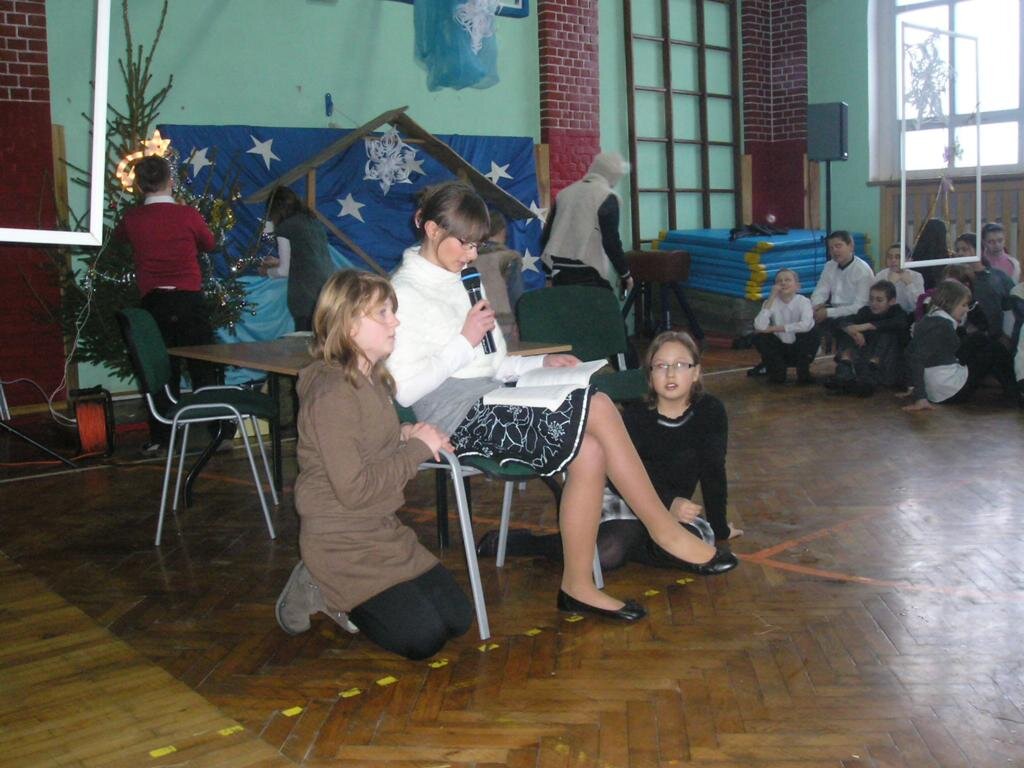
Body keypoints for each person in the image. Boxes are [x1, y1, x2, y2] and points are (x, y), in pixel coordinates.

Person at [389, 181, 736, 623]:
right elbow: (405, 390)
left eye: (477, 245)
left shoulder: (462, 279)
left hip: (492, 398)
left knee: (589, 449)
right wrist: (464, 341)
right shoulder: (403, 292)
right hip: (451, 419)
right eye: (464, 243)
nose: (472, 255)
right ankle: (664, 530)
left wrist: (539, 364)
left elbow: (491, 364)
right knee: (598, 405)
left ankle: (578, 586)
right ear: (431, 228)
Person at [273, 270, 472, 659]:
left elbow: (365, 441)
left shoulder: (372, 379)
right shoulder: (332, 393)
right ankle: (319, 583)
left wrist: (404, 434)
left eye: (392, 311)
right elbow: (355, 489)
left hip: (379, 526)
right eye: (382, 313)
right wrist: (417, 449)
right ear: (348, 324)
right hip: (340, 539)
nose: (395, 322)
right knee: (424, 640)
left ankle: (338, 588)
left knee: (457, 620)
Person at [478, 330, 742, 571]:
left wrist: (719, 528)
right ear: (650, 375)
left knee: (699, 542)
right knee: (607, 553)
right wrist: (668, 503)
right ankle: (525, 543)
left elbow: (714, 472)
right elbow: (618, 479)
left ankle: (639, 541)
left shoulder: (711, 411)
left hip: (671, 507)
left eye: (681, 365)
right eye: (661, 366)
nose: (671, 374)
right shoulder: (635, 417)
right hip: (621, 496)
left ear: (696, 373)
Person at [112, 155, 219, 456]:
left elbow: (119, 238)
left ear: (139, 187)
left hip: (154, 304)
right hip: (189, 301)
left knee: (160, 370)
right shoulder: (188, 215)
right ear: (170, 181)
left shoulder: (133, 219)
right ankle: (218, 430)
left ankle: (163, 436)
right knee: (203, 365)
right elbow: (209, 243)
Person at [901, 279, 1014, 411]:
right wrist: (920, 397)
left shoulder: (930, 318)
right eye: (963, 305)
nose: (966, 309)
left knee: (978, 338)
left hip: (938, 384)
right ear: (950, 303)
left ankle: (1009, 387)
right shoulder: (941, 327)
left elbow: (909, 351)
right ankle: (1015, 392)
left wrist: (911, 386)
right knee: (996, 349)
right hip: (950, 391)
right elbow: (916, 359)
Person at [540, 151, 634, 296]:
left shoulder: (564, 193)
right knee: (601, 309)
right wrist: (625, 274)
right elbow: (611, 241)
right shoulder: (607, 196)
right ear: (614, 175)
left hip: (559, 271)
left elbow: (547, 235)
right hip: (589, 271)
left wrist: (548, 275)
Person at [260, 187, 334, 332]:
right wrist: (277, 262)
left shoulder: (285, 227)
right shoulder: (314, 223)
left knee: (305, 341)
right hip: (329, 292)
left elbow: (284, 271)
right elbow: (307, 257)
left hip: (306, 298)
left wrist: (267, 272)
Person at [827, 280, 908, 396]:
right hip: (864, 358)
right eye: (871, 299)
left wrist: (867, 326)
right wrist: (851, 330)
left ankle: (868, 378)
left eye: (879, 300)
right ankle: (844, 371)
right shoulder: (865, 311)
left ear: (892, 301)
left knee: (886, 336)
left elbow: (897, 323)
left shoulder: (898, 313)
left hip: (886, 365)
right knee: (850, 333)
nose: (874, 303)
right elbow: (840, 321)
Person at [751, 268, 818, 384]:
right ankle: (778, 371)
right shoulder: (770, 302)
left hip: (800, 348)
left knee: (813, 331)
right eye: (779, 281)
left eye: (787, 280)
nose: (783, 283)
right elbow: (759, 326)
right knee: (759, 337)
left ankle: (803, 372)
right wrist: (772, 296)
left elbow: (806, 325)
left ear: (797, 286)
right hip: (780, 348)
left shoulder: (804, 301)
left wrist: (774, 328)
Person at [810, 230, 875, 344]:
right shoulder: (830, 265)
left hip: (855, 314)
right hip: (833, 310)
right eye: (831, 248)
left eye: (838, 246)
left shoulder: (862, 270)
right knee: (807, 319)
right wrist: (816, 307)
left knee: (839, 323)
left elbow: (859, 306)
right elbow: (820, 291)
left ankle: (848, 337)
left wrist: (828, 313)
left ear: (851, 246)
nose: (834, 251)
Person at [475, 209, 525, 339]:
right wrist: (520, 323)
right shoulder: (509, 258)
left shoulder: (467, 258)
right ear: (502, 230)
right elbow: (517, 297)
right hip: (504, 325)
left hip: (474, 324)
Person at [875, 243, 924, 315]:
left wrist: (909, 284)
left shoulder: (917, 276)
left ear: (908, 260)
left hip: (908, 316)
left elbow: (918, 307)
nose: (893, 260)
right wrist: (889, 285)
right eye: (889, 257)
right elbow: (876, 304)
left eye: (898, 257)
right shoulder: (880, 275)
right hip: (885, 315)